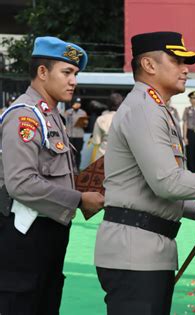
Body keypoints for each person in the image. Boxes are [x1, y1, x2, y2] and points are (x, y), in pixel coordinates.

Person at [93, 31, 195, 315]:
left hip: (146, 247)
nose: (186, 69)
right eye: (177, 60)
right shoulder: (145, 109)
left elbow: (152, 184)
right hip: (136, 251)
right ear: (149, 65)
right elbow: (166, 182)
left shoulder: (154, 108)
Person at [0, 36, 104, 315]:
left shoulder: (52, 115)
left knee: (46, 302)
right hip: (26, 234)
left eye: (76, 74)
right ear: (43, 73)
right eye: (67, 72)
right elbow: (20, 183)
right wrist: (79, 199)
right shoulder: (25, 116)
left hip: (50, 231)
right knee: (22, 304)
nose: (73, 81)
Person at [90, 93, 124, 161]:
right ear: (121, 105)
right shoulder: (127, 119)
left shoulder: (101, 119)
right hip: (122, 157)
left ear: (108, 104)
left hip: (103, 155)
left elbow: (96, 141)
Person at [64, 97, 88, 170]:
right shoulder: (67, 112)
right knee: (69, 153)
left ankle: (77, 168)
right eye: (76, 103)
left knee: (78, 153)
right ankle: (69, 169)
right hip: (69, 135)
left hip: (79, 136)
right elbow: (62, 122)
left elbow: (86, 125)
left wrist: (85, 123)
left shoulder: (83, 113)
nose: (78, 105)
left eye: (79, 103)